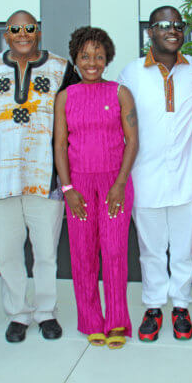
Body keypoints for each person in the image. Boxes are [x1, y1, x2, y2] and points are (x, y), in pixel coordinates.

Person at [0, 10, 78, 343]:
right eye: (15, 29)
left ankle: (46, 312)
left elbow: (77, 115)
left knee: (46, 251)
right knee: (6, 253)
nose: (23, 34)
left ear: (39, 31)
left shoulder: (62, 68)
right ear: (6, 34)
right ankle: (18, 314)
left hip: (46, 175)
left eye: (30, 28)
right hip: (1, 177)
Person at [118, 6, 192, 342]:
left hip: (189, 178)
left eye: (178, 25)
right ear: (149, 33)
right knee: (151, 249)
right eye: (163, 25)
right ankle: (155, 305)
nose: (173, 30)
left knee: (185, 249)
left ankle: (181, 305)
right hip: (145, 179)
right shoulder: (131, 73)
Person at [53, 27, 138, 349]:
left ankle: (117, 321)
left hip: (115, 184)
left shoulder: (120, 92)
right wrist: (68, 188)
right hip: (79, 187)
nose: (92, 62)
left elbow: (133, 142)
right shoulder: (65, 97)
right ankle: (91, 321)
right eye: (85, 56)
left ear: (107, 59)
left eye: (99, 56)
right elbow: (60, 146)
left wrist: (119, 184)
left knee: (115, 252)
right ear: (75, 58)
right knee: (83, 254)